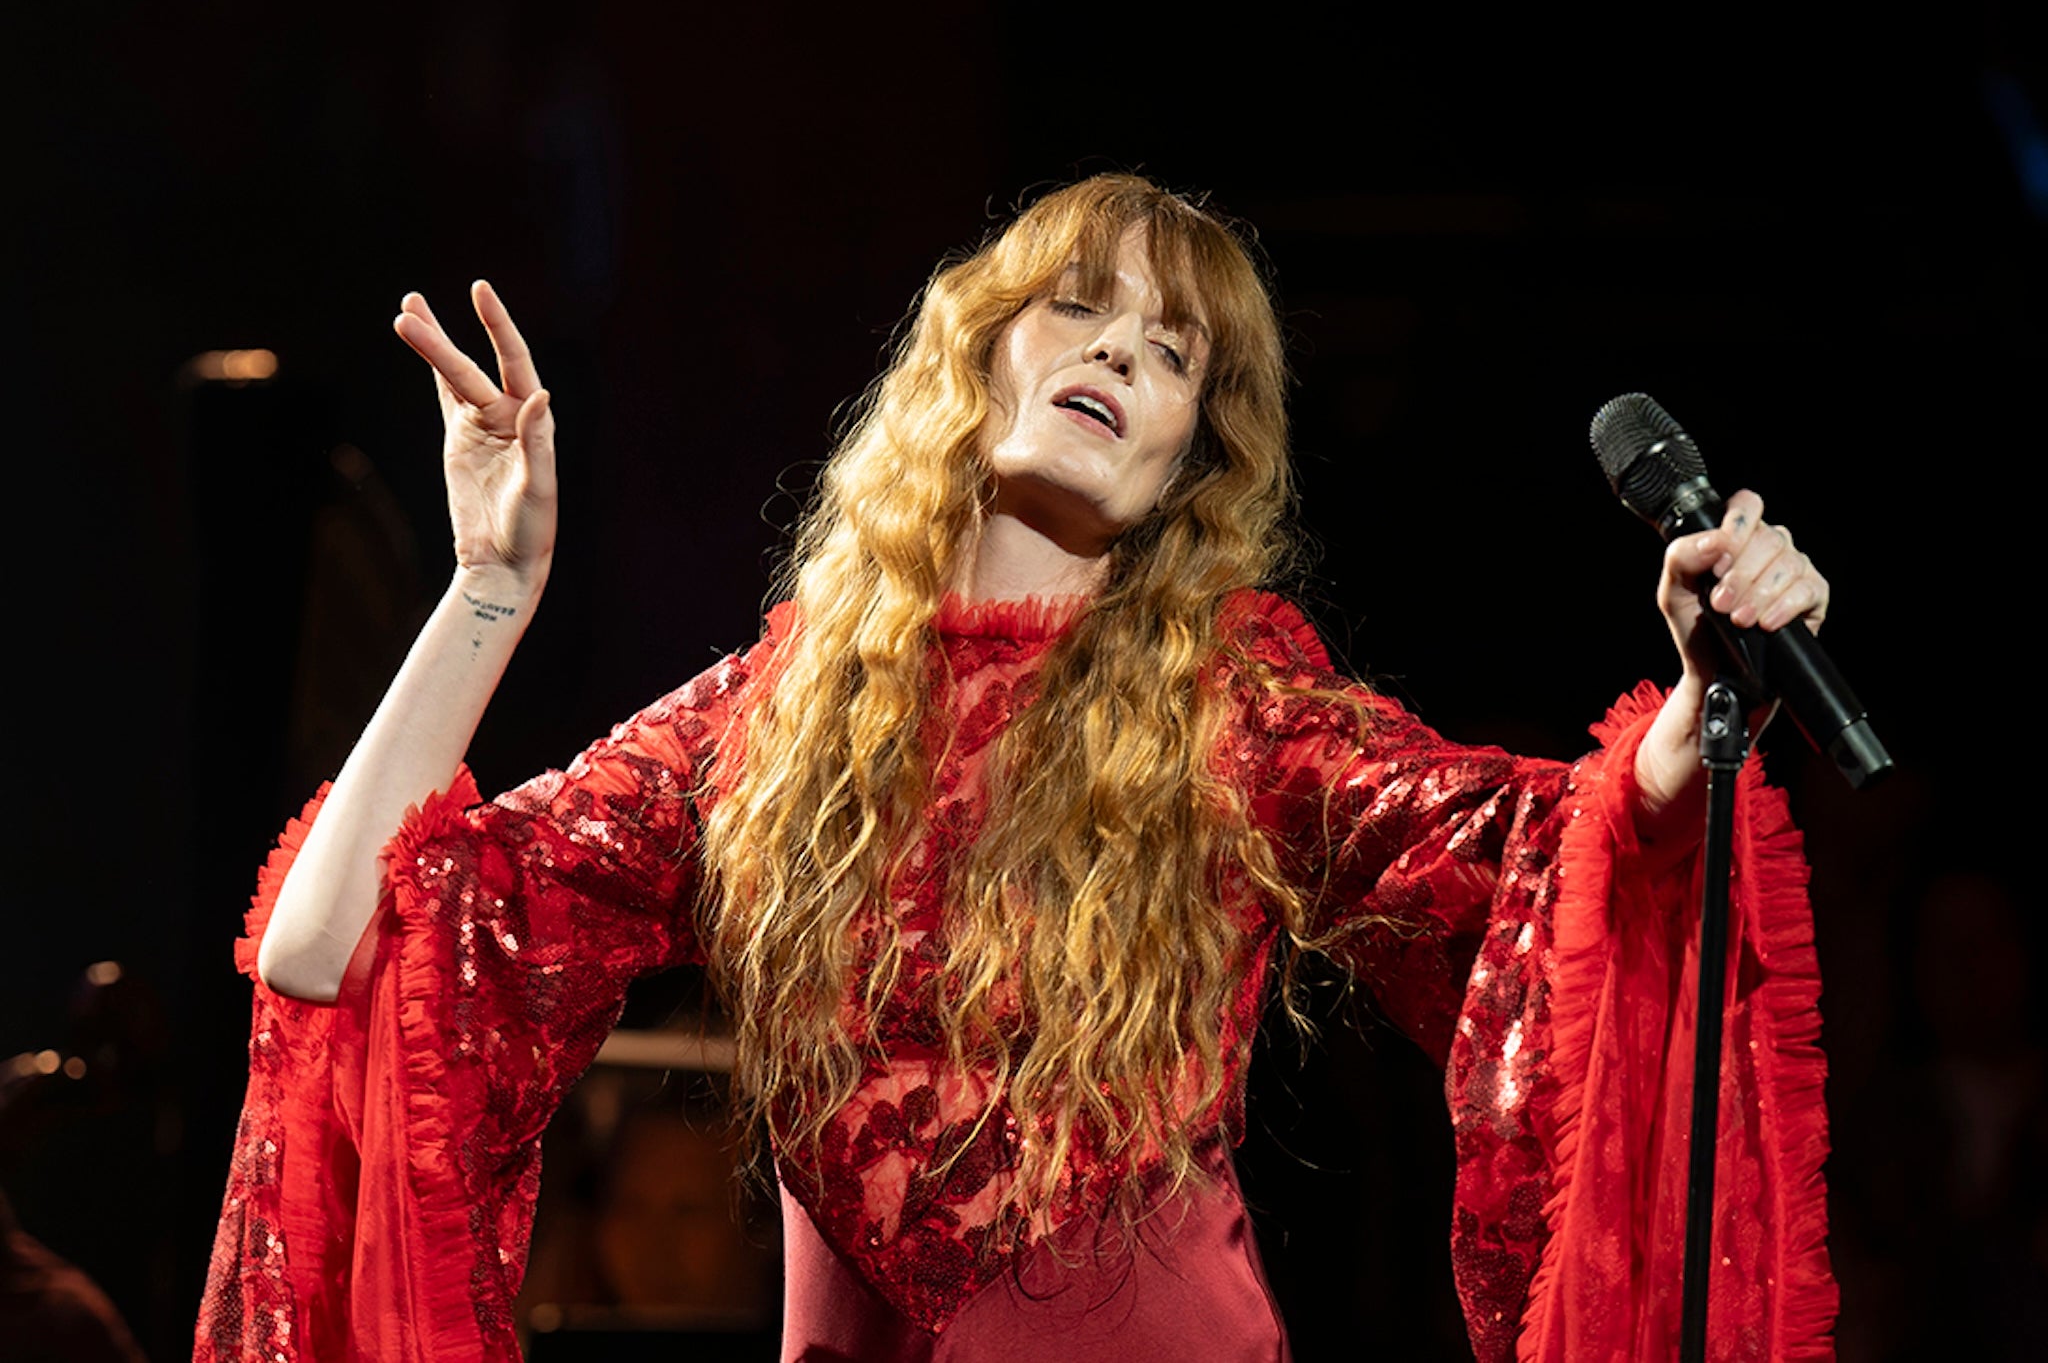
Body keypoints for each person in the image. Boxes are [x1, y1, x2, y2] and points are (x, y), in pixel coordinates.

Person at [196, 176, 1835, 1362]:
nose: (1123, 350)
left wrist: (1698, 696)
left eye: (1176, 353)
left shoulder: (1227, 696)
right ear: (978, 354)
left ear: (1194, 458)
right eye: (1080, 305)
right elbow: (337, 949)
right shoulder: (771, 720)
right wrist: (490, 589)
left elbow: (1542, 853)